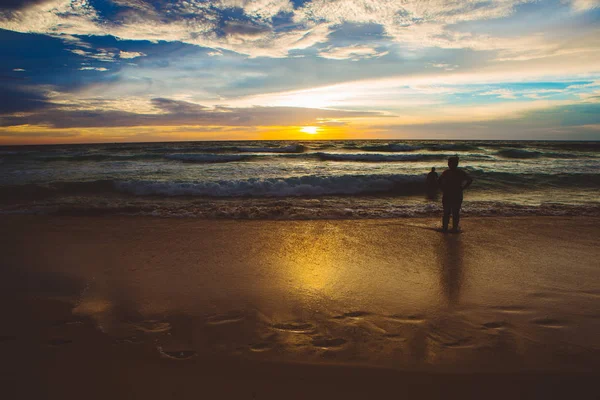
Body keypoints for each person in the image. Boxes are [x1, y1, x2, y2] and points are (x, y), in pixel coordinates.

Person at [438, 156, 473, 232]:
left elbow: (439, 181)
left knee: (448, 212)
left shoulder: (447, 172)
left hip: (449, 194)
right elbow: (470, 180)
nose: (448, 164)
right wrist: (463, 188)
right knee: (454, 212)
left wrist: (443, 188)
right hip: (456, 193)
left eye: (449, 163)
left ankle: (445, 228)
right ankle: (453, 228)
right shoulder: (460, 172)